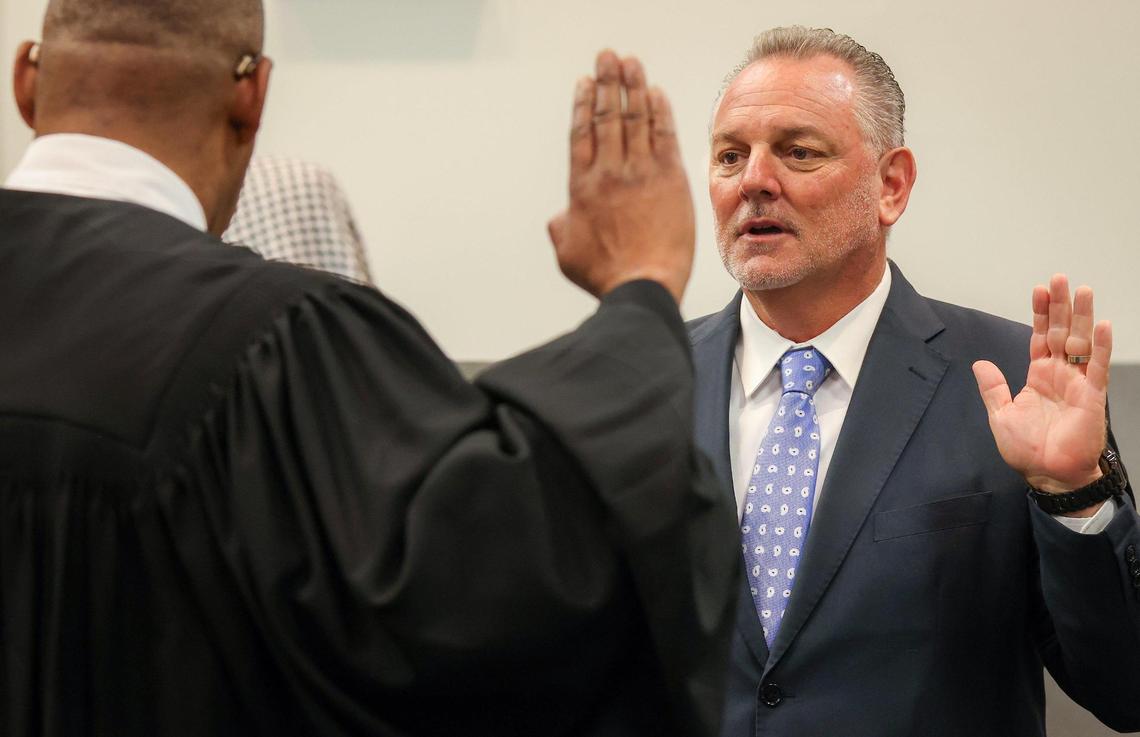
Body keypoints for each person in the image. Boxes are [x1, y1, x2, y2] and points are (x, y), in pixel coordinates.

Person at [0, 1, 740, 735]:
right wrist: (639, 287)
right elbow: (502, 585)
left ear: (27, 80)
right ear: (251, 97)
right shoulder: (270, 346)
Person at [688, 26, 1140, 736]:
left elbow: (1127, 687)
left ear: (890, 185)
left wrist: (1075, 494)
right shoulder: (640, 387)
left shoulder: (1014, 379)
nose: (754, 181)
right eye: (730, 155)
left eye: (798, 151)